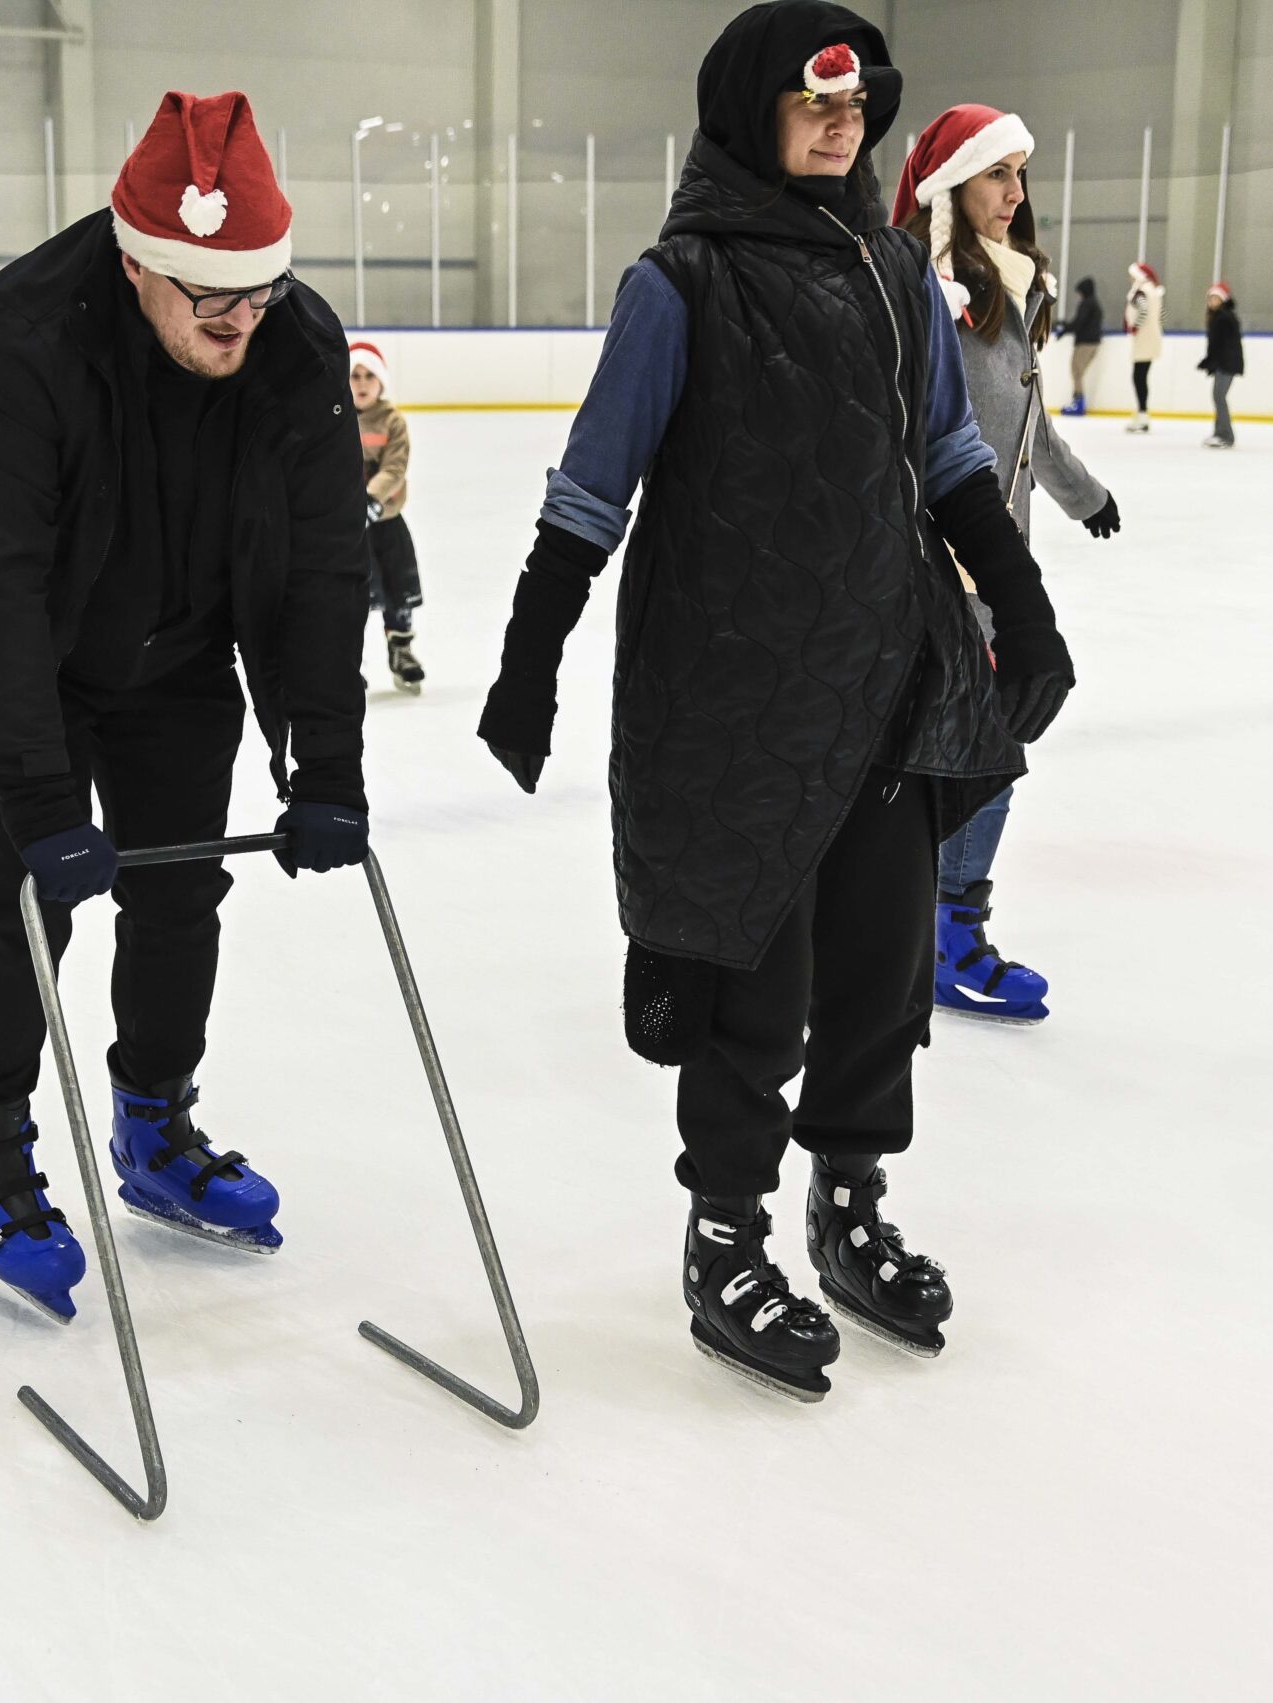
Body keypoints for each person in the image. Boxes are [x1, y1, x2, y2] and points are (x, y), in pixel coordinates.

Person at [476, 3, 1071, 1399]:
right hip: (733, 690)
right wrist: (528, 654)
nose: (840, 126)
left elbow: (948, 451)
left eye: (856, 108)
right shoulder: (680, 281)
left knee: (880, 972)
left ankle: (847, 1204)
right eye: (815, 105)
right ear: (753, 114)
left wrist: (1024, 603)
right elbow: (592, 486)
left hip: (888, 673)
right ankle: (726, 1236)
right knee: (754, 982)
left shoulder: (890, 265)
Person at [0, 91, 370, 1320]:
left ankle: (154, 1123)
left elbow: (324, 566)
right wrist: (38, 796)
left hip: (181, 631)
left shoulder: (294, 345)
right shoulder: (25, 336)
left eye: (260, 292)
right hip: (0, 629)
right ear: (138, 262)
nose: (240, 321)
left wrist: (328, 765)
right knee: (24, 880)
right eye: (211, 299)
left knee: (181, 881)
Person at [894, 102, 1120, 1027]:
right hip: (940, 571)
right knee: (983, 748)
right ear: (952, 186)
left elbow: (1029, 428)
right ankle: (945, 939)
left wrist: (1083, 495)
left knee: (974, 747)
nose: (1016, 193)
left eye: (1021, 174)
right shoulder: (932, 297)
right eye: (998, 173)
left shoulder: (1009, 293)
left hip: (994, 566)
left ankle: (924, 930)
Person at [350, 340, 425, 693]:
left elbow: (395, 467)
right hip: (351, 530)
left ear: (381, 381)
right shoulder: (336, 419)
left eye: (370, 376)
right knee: (353, 595)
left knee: (398, 588)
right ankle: (349, 660)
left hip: (388, 523)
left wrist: (371, 501)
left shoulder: (393, 422)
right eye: (355, 376)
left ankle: (401, 649)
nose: (362, 383)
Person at [1199, 280, 1243, 447]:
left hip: (1227, 363)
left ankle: (1226, 435)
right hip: (1224, 363)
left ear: (1223, 300)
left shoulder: (1224, 317)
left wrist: (1209, 361)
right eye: (1211, 298)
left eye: (1216, 298)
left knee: (1219, 396)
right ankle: (1220, 433)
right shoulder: (1219, 316)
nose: (1212, 301)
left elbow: (1221, 345)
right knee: (1218, 396)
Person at [1124, 260, 1163, 432]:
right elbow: (1160, 314)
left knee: (1139, 377)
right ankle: (1142, 413)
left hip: (1144, 339)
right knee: (1140, 376)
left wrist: (1135, 327)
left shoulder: (1142, 292)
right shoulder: (1153, 290)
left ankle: (1142, 414)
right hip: (1151, 338)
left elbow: (1144, 310)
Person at [1058, 275, 1104, 415]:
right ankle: (1077, 401)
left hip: (1086, 343)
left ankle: (1078, 403)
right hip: (1091, 342)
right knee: (1077, 371)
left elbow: (1079, 322)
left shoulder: (1087, 304)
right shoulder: (1094, 303)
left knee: (1077, 371)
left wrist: (1065, 329)